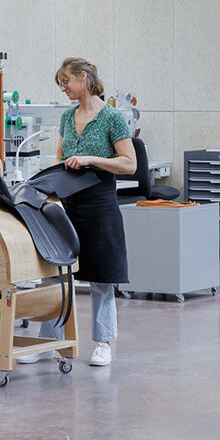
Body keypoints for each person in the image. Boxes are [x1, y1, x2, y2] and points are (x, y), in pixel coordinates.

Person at [19, 57, 136, 367]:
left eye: (66, 81)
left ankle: (103, 343)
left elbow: (129, 164)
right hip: (67, 205)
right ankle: (47, 340)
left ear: (83, 78)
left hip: (99, 205)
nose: (63, 88)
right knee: (54, 272)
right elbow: (60, 158)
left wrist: (90, 160)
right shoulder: (67, 119)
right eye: (60, 84)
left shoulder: (112, 118)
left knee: (101, 277)